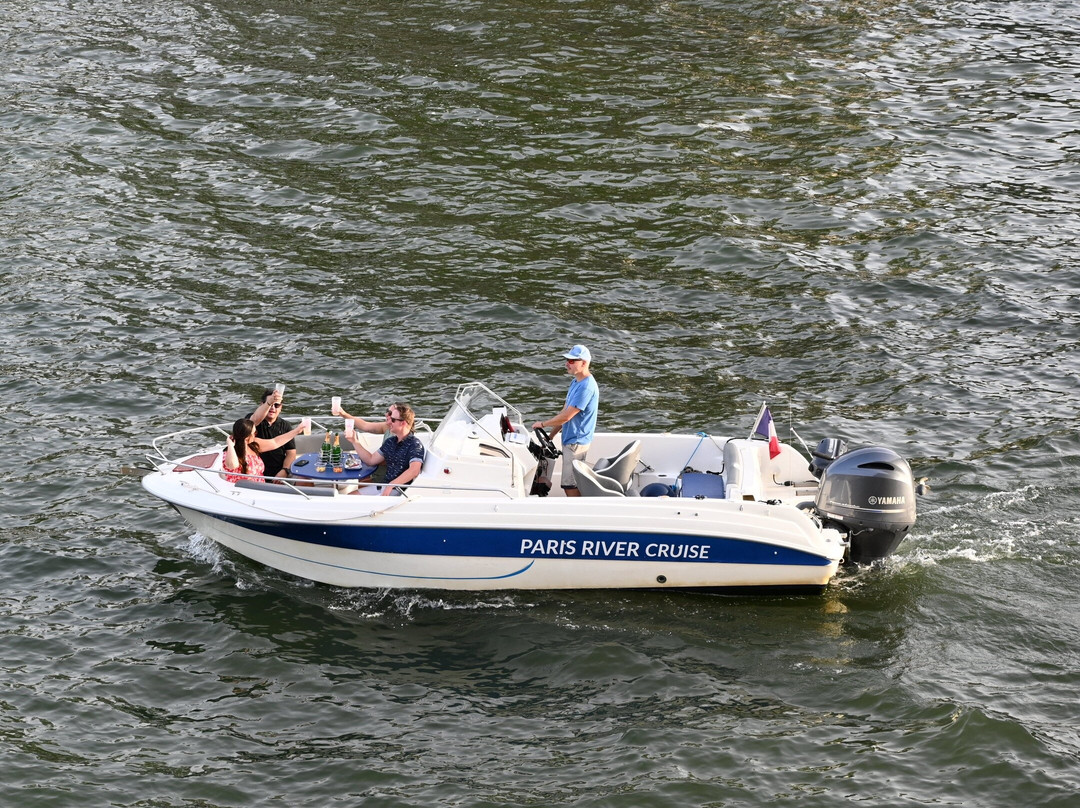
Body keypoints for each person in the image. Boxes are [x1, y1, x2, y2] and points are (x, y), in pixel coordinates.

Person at [531, 344, 599, 497]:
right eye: (567, 360)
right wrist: (550, 436)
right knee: (572, 483)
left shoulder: (586, 387)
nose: (567, 364)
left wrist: (542, 424)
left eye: (571, 361)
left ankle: (579, 517)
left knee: (570, 485)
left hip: (576, 443)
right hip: (570, 440)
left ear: (583, 363)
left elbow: (567, 416)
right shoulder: (576, 382)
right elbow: (564, 413)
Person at [346, 402, 425, 496]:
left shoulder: (415, 445)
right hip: (384, 486)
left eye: (393, 420)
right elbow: (371, 460)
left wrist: (391, 485)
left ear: (403, 423)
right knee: (350, 497)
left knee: (352, 503)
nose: (388, 422)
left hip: (399, 491)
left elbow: (414, 471)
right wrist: (354, 441)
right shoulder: (391, 442)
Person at [222, 418, 306, 484]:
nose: (256, 435)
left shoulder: (253, 445)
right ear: (247, 436)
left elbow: (275, 442)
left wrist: (297, 431)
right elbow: (233, 465)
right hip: (242, 492)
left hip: (261, 488)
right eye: (254, 433)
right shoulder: (230, 452)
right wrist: (230, 445)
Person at [247, 388, 297, 479]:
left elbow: (291, 453)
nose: (273, 408)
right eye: (270, 404)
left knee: (304, 479)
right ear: (262, 405)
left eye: (277, 405)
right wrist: (268, 403)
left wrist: (285, 470)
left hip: (279, 472)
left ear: (281, 408)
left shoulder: (285, 426)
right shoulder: (253, 421)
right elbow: (254, 420)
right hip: (255, 471)